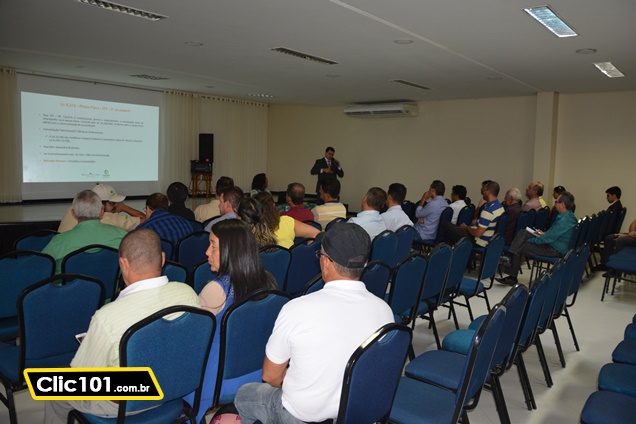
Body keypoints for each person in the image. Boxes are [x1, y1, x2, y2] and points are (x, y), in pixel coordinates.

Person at [234, 223, 393, 424]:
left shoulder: (296, 309)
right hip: (355, 413)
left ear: (325, 262)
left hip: (300, 417)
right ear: (366, 263)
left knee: (244, 394)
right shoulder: (384, 310)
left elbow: (271, 376)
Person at [44, 228, 200, 424]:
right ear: (162, 259)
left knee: (53, 386)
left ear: (123, 264)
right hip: (176, 387)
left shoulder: (107, 317)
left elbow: (83, 376)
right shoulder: (188, 293)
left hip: (126, 402)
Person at [187, 219, 277, 424]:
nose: (207, 252)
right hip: (259, 373)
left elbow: (194, 344)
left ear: (231, 250)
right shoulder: (268, 281)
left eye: (213, 246)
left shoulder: (216, 290)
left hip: (217, 383)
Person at [497, 191, 577, 285]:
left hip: (555, 250)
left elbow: (546, 239)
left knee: (520, 245)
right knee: (523, 232)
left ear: (562, 204)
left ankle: (512, 275)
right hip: (554, 244)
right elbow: (554, 234)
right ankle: (509, 257)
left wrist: (530, 240)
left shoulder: (564, 221)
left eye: (556, 202)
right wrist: (545, 233)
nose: (555, 204)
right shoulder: (569, 216)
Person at [43, 190, 127, 273]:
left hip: (69, 282)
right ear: (101, 211)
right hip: (110, 282)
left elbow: (40, 267)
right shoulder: (122, 236)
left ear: (73, 213)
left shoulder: (58, 242)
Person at [239, 194, 320, 248]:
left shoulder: (251, 231)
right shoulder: (286, 221)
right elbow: (316, 233)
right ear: (274, 206)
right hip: (288, 267)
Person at [57, 183, 145, 232]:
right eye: (113, 203)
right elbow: (145, 220)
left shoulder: (70, 210)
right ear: (102, 206)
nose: (116, 205)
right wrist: (124, 207)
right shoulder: (110, 217)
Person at [442, 181, 504, 247]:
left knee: (446, 225)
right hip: (490, 241)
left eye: (484, 190)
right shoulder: (500, 207)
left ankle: (448, 250)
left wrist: (467, 228)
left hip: (479, 242)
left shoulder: (488, 210)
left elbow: (478, 233)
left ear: (488, 191)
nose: (482, 192)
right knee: (457, 229)